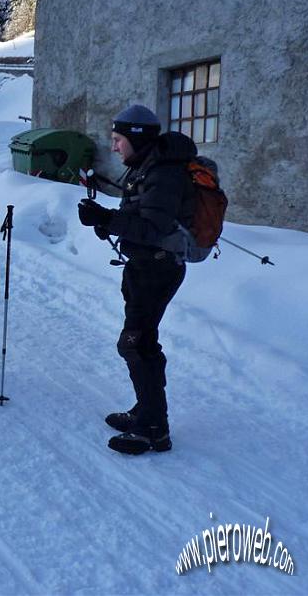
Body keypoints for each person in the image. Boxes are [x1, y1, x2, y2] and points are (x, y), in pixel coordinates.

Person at [78, 104, 196, 455]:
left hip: (157, 268)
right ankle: (146, 413)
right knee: (142, 342)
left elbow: (153, 227)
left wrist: (108, 219)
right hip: (145, 265)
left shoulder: (164, 173)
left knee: (135, 343)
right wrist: (107, 222)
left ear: (136, 138)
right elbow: (141, 216)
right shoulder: (147, 168)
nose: (113, 147)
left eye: (118, 139)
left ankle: (154, 428)